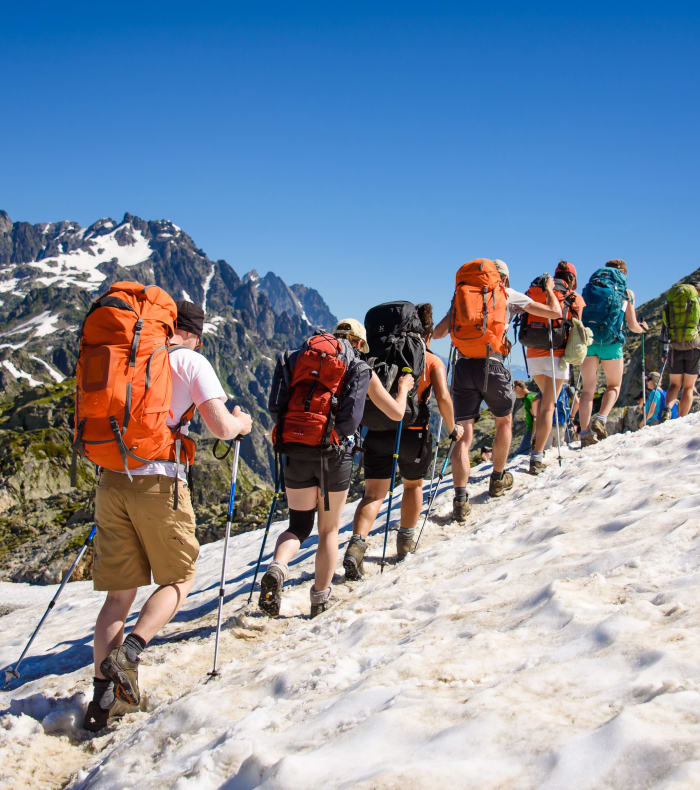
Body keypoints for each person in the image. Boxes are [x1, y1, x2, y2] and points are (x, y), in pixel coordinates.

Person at [85, 301, 252, 731]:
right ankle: (132, 651)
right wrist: (241, 423)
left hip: (111, 477)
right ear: (194, 334)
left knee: (118, 596)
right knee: (179, 579)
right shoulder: (190, 360)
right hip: (160, 480)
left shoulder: (131, 354)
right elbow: (217, 426)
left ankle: (105, 700)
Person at [259, 318, 414, 615]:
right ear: (358, 343)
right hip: (335, 456)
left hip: (295, 448)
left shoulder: (298, 358)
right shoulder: (359, 368)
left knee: (298, 526)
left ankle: (278, 568)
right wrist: (404, 387)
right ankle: (319, 600)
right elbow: (395, 413)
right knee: (328, 531)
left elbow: (277, 405)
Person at [433, 259, 562, 521]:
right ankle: (497, 478)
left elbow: (438, 333)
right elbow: (554, 313)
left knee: (463, 434)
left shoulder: (461, 296)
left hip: (463, 367)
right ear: (504, 278)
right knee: (504, 423)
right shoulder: (507, 294)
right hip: (494, 365)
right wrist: (549, 289)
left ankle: (460, 497)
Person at [341, 304, 463, 575]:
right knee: (413, 486)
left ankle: (356, 545)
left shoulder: (379, 355)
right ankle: (406, 542)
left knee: (373, 494)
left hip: (378, 431)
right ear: (424, 333)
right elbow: (443, 398)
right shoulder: (431, 361)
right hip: (413, 434)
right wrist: (454, 429)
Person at [579, 260, 648, 447]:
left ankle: (584, 434)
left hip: (589, 341)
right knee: (613, 386)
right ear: (623, 273)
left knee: (587, 391)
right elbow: (632, 325)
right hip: (611, 343)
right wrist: (642, 329)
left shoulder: (591, 287)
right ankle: (601, 418)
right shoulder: (626, 292)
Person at [525, 261, 585, 475]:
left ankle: (536, 443)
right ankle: (538, 455)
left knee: (544, 399)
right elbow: (578, 330)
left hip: (532, 353)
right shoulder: (573, 298)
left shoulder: (538, 290)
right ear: (572, 279)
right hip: (556, 355)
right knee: (549, 404)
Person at [662, 283, 700, 419]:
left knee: (674, 385)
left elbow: (665, 327)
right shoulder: (696, 304)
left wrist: (664, 350)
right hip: (693, 347)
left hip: (675, 346)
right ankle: (682, 417)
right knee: (689, 387)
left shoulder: (672, 303)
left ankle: (667, 409)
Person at [512, 379, 538, 456]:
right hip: (537, 428)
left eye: (515, 390)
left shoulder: (528, 399)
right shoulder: (533, 395)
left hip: (532, 429)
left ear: (518, 388)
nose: (515, 393)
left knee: (521, 452)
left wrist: (533, 435)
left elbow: (535, 418)